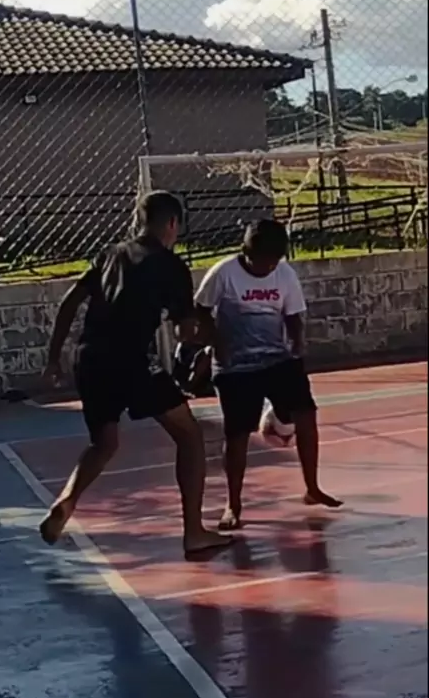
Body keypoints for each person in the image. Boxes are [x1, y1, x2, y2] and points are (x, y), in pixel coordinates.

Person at [39, 190, 231, 555]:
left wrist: (53, 359)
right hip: (130, 359)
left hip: (88, 357)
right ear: (172, 224)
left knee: (104, 442)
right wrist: (205, 332)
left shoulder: (109, 254)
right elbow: (184, 331)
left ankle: (67, 499)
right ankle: (194, 532)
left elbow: (70, 302)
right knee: (189, 435)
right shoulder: (171, 265)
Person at [194, 218, 343, 530]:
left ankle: (312, 488)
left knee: (306, 415)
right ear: (247, 254)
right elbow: (201, 310)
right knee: (237, 434)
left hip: (277, 357)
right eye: (264, 261)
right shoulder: (224, 273)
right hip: (235, 364)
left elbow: (293, 315)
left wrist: (298, 344)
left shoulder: (284, 273)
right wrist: (215, 343)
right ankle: (233, 505)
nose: (269, 267)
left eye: (275, 261)